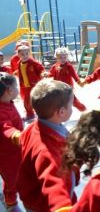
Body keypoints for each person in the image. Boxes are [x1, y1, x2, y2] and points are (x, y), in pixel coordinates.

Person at [17, 79, 79, 211]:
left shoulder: (34, 126)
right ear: (61, 112)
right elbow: (54, 185)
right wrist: (64, 208)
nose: (72, 109)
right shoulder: (48, 153)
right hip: (43, 204)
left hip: (33, 193)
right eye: (71, 106)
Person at [0, 73, 23, 211]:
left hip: (13, 151)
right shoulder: (1, 111)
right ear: (10, 90)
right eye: (16, 86)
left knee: (11, 179)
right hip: (7, 155)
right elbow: (6, 128)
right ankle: (11, 204)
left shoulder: (7, 103)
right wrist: (20, 135)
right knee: (12, 181)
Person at [43, 47, 86, 111]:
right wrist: (47, 74)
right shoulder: (55, 66)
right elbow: (51, 74)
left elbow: (74, 75)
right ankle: (59, 112)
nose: (63, 59)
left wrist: (79, 82)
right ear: (57, 58)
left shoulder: (69, 66)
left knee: (73, 100)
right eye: (60, 58)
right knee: (58, 100)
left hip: (67, 87)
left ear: (67, 57)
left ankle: (83, 109)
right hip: (57, 87)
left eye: (65, 58)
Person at [16, 45, 45, 122]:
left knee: (28, 101)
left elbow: (40, 67)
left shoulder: (32, 62)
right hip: (25, 85)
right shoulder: (19, 63)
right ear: (18, 55)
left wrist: (42, 73)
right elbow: (21, 71)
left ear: (29, 54)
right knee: (30, 99)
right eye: (22, 54)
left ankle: (31, 114)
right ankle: (34, 112)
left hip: (33, 84)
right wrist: (17, 73)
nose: (25, 56)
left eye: (27, 54)